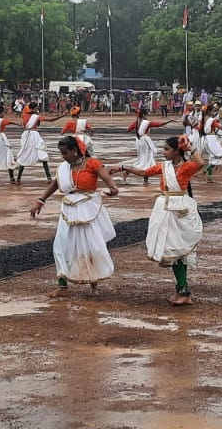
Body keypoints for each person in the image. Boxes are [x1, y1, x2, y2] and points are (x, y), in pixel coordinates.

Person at [112, 136, 204, 306]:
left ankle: (184, 291)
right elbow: (144, 172)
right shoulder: (164, 166)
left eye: (167, 149)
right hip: (165, 209)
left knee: (177, 251)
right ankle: (182, 289)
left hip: (179, 210)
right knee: (174, 251)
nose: (163, 152)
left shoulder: (185, 167)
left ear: (177, 151)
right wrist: (124, 168)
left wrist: (190, 147)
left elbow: (200, 163)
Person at [27, 136, 119, 298]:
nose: (63, 156)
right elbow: (55, 184)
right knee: (60, 245)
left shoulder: (93, 163)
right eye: (61, 153)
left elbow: (108, 179)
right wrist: (40, 201)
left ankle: (93, 283)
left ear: (75, 151)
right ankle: (62, 286)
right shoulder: (64, 168)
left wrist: (113, 188)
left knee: (90, 247)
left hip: (88, 209)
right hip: (68, 209)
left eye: (65, 153)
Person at [14, 103, 61, 183]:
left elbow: (24, 125)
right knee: (43, 156)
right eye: (37, 108)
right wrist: (62, 116)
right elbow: (51, 120)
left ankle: (18, 179)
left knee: (25, 155)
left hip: (26, 135)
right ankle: (49, 177)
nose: (37, 109)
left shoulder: (24, 115)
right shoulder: (36, 116)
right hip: (34, 136)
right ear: (34, 108)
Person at [123, 108, 168, 185]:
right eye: (146, 115)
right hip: (145, 143)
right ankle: (135, 175)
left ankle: (130, 173)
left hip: (140, 143)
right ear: (143, 115)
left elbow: (128, 130)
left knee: (144, 161)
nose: (147, 116)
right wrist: (168, 122)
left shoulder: (137, 123)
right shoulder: (146, 123)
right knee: (147, 161)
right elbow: (158, 124)